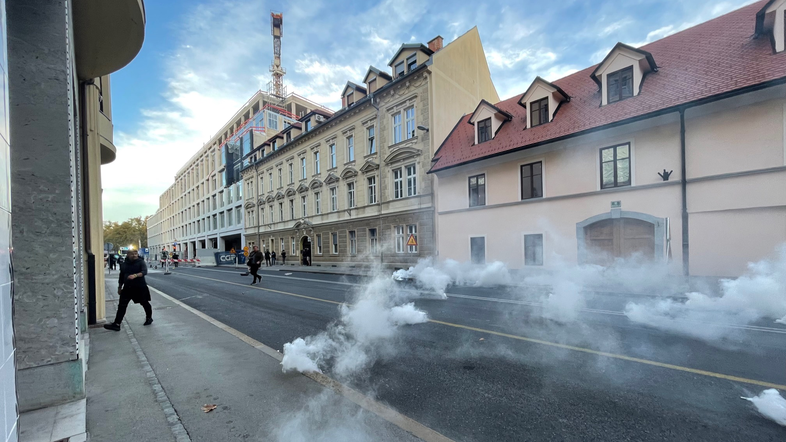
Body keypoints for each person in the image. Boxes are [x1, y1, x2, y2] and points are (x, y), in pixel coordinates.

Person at [104, 249, 153, 331]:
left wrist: (135, 275)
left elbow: (144, 272)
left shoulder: (141, 262)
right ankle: (117, 324)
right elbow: (121, 276)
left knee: (144, 303)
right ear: (128, 255)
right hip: (127, 288)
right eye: (132, 254)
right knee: (122, 306)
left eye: (136, 253)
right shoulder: (124, 264)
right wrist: (119, 287)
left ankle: (149, 317)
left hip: (140, 287)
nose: (134, 255)